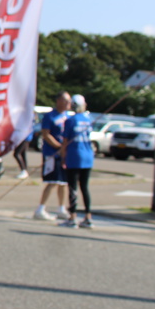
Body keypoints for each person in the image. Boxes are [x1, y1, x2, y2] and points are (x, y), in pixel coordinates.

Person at [34, 91, 71, 221]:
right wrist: (59, 147)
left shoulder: (67, 116)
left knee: (63, 182)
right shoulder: (50, 116)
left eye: (69, 101)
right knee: (52, 181)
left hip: (64, 154)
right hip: (51, 153)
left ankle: (61, 208)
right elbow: (46, 134)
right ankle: (40, 208)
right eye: (66, 101)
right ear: (59, 101)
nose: (68, 103)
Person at [60, 94, 94, 229]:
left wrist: (63, 157)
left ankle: (73, 217)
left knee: (73, 187)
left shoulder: (70, 120)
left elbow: (65, 141)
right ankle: (88, 216)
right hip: (88, 156)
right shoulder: (88, 119)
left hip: (74, 156)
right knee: (85, 187)